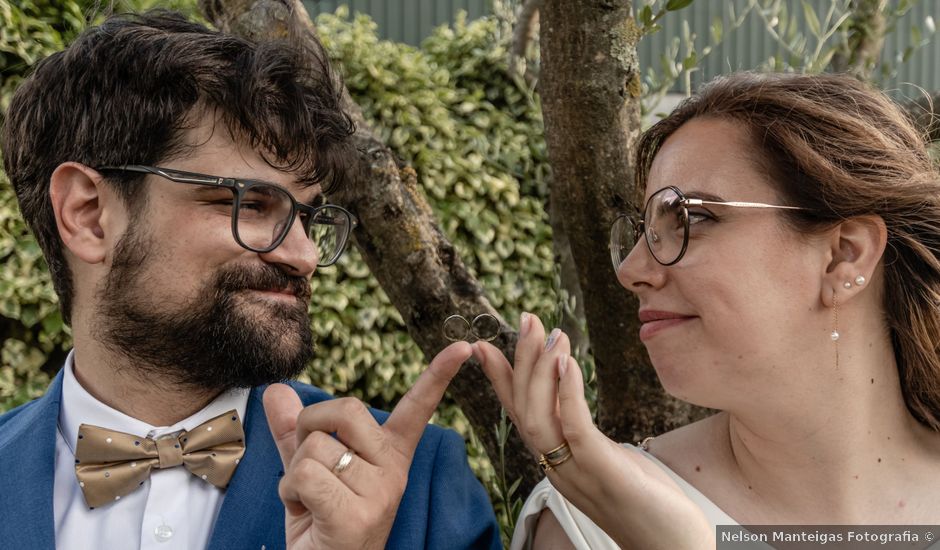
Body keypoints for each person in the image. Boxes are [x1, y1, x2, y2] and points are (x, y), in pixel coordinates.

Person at [0, 10, 500, 550]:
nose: (305, 256)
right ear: (89, 214)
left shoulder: (422, 488)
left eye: (308, 217)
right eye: (250, 203)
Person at [473, 71, 940, 549]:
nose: (631, 270)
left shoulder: (623, 514)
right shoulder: (594, 524)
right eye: (642, 230)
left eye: (691, 218)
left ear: (845, 254)